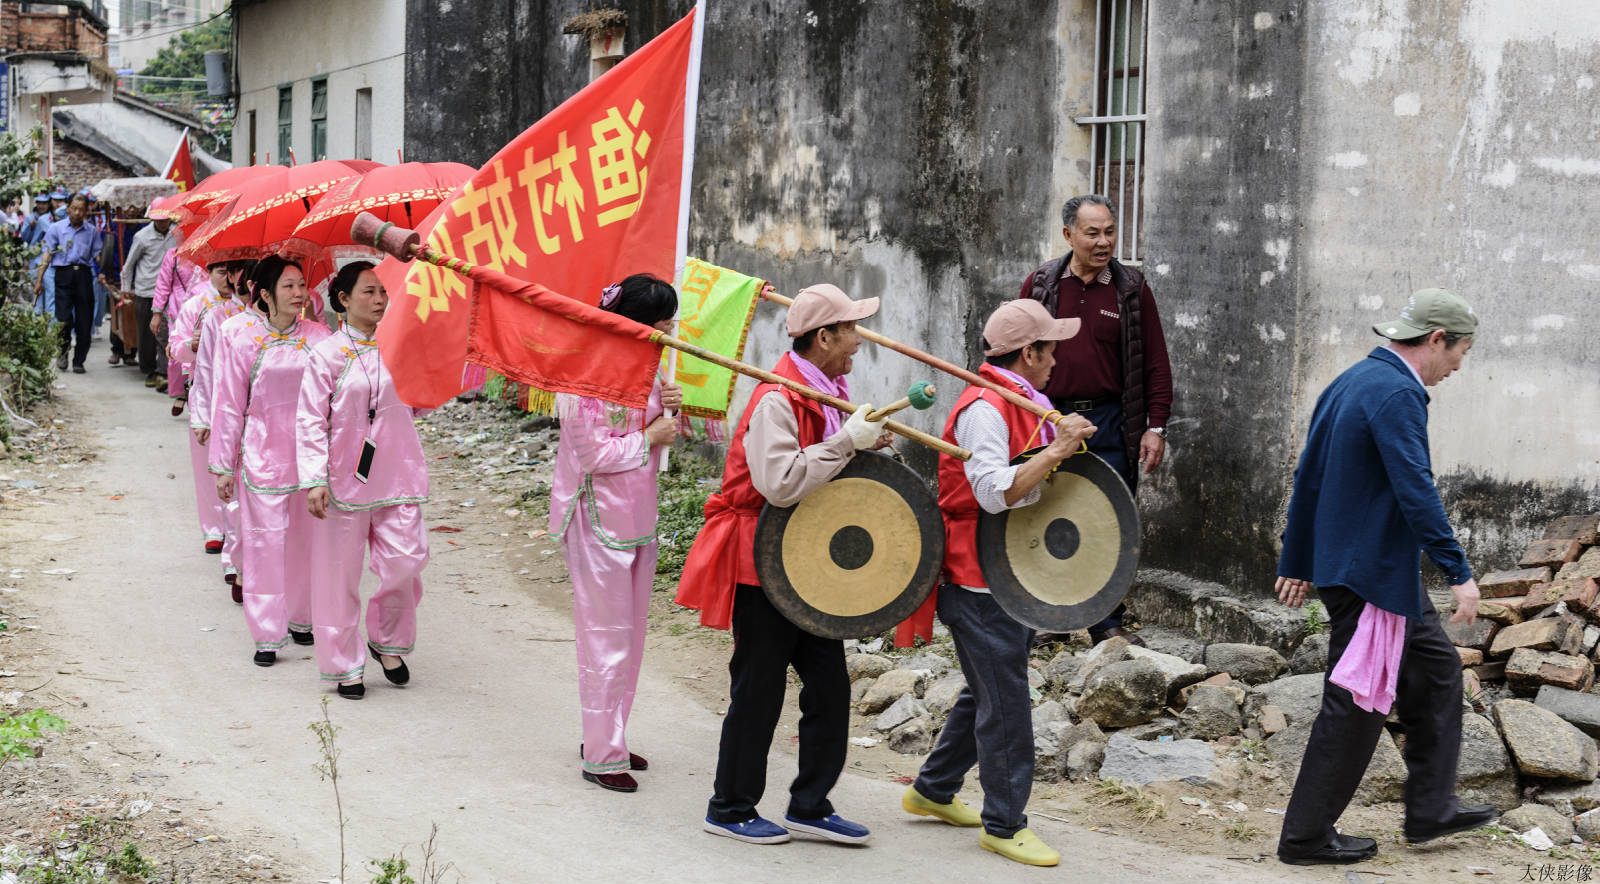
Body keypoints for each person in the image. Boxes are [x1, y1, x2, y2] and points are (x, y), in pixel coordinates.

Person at [1274, 288, 1492, 865]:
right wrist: (1458, 571)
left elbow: (1308, 475)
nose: (1458, 367)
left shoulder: (1354, 379)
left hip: (1369, 569)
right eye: (1460, 352)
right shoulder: (1398, 392)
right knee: (1357, 703)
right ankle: (1304, 837)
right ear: (1436, 339)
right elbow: (1415, 488)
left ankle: (1431, 806)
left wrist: (1298, 559)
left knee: (1438, 668)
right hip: (1370, 574)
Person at [677, 284, 889, 845]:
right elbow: (781, 483)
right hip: (764, 562)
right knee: (759, 688)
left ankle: (810, 805)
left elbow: (824, 465)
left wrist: (861, 447)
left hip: (811, 564)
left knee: (830, 687)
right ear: (824, 337)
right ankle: (729, 806)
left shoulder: (826, 390)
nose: (857, 345)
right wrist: (845, 443)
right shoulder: (778, 398)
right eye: (851, 332)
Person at [896, 300, 1095, 867]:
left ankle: (932, 790)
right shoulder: (986, 407)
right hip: (978, 576)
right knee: (1006, 703)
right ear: (1029, 353)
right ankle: (1004, 824)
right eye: (1051, 349)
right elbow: (989, 491)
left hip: (1009, 570)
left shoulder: (1023, 398)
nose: (1058, 360)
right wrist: (1058, 448)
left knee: (989, 688)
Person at [1020, 193, 1172, 646]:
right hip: (1049, 418)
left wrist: (1155, 425)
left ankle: (1106, 620)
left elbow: (1156, 363)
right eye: (1093, 233)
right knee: (1046, 511)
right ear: (1069, 235)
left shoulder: (1130, 289)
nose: (1104, 241)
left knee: (1107, 520)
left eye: (1110, 231)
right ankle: (1049, 614)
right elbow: (1015, 356)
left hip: (1110, 421)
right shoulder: (1041, 285)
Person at [548, 274, 682, 789]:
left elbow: (654, 436)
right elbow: (593, 455)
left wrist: (668, 405)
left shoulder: (646, 367)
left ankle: (611, 735)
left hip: (636, 517)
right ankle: (601, 754)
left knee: (632, 634)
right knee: (605, 638)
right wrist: (650, 434)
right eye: (662, 327)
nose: (666, 337)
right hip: (595, 518)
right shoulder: (584, 375)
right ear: (634, 325)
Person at [297, 262, 430, 700]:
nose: (379, 300)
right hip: (342, 481)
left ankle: (387, 640)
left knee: (406, 562)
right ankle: (343, 664)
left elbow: (420, 403)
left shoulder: (400, 346)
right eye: (369, 292)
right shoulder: (327, 355)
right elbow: (310, 420)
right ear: (343, 299)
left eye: (383, 292)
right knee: (339, 575)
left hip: (398, 472)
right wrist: (314, 478)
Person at [208, 257, 330, 665]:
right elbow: (228, 403)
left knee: (305, 543)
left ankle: (301, 618)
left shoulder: (319, 336)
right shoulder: (240, 337)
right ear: (265, 293)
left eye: (302, 285)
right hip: (261, 457)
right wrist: (224, 464)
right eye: (289, 286)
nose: (300, 294)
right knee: (263, 545)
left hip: (310, 458)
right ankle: (266, 633)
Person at [185, 260, 256, 589]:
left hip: (265, 421)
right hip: (225, 412)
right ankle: (233, 557)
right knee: (231, 487)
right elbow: (205, 371)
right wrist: (201, 415)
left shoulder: (288, 325)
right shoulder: (218, 318)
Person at [168, 261, 240, 557]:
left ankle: (235, 524)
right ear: (209, 273)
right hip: (205, 389)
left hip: (238, 391)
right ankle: (213, 527)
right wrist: (192, 345)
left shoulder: (249, 308)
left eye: (232, 272)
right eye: (221, 271)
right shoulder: (197, 304)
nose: (227, 278)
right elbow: (175, 348)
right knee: (205, 462)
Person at [34, 194, 105, 374]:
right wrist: (39, 280)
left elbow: (98, 256)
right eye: (74, 208)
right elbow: (47, 254)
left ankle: (79, 360)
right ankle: (63, 353)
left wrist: (104, 268)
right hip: (63, 275)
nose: (77, 212)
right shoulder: (56, 228)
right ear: (68, 209)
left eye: (81, 209)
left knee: (84, 320)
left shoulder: (92, 231)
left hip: (83, 275)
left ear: (86, 210)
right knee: (64, 319)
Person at [120, 211, 175, 384]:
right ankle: (148, 369)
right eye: (159, 220)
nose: (163, 223)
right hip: (146, 290)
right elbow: (128, 266)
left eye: (166, 220)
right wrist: (125, 290)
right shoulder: (142, 237)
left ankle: (162, 370)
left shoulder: (176, 234)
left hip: (168, 291)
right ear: (152, 219)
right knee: (146, 334)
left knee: (165, 333)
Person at [25, 195, 56, 316]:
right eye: (39, 203)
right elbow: (31, 241)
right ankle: (39, 326)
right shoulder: (41, 219)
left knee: (50, 296)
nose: (41, 206)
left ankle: (48, 327)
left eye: (45, 203)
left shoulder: (59, 218)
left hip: (53, 262)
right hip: (40, 260)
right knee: (38, 295)